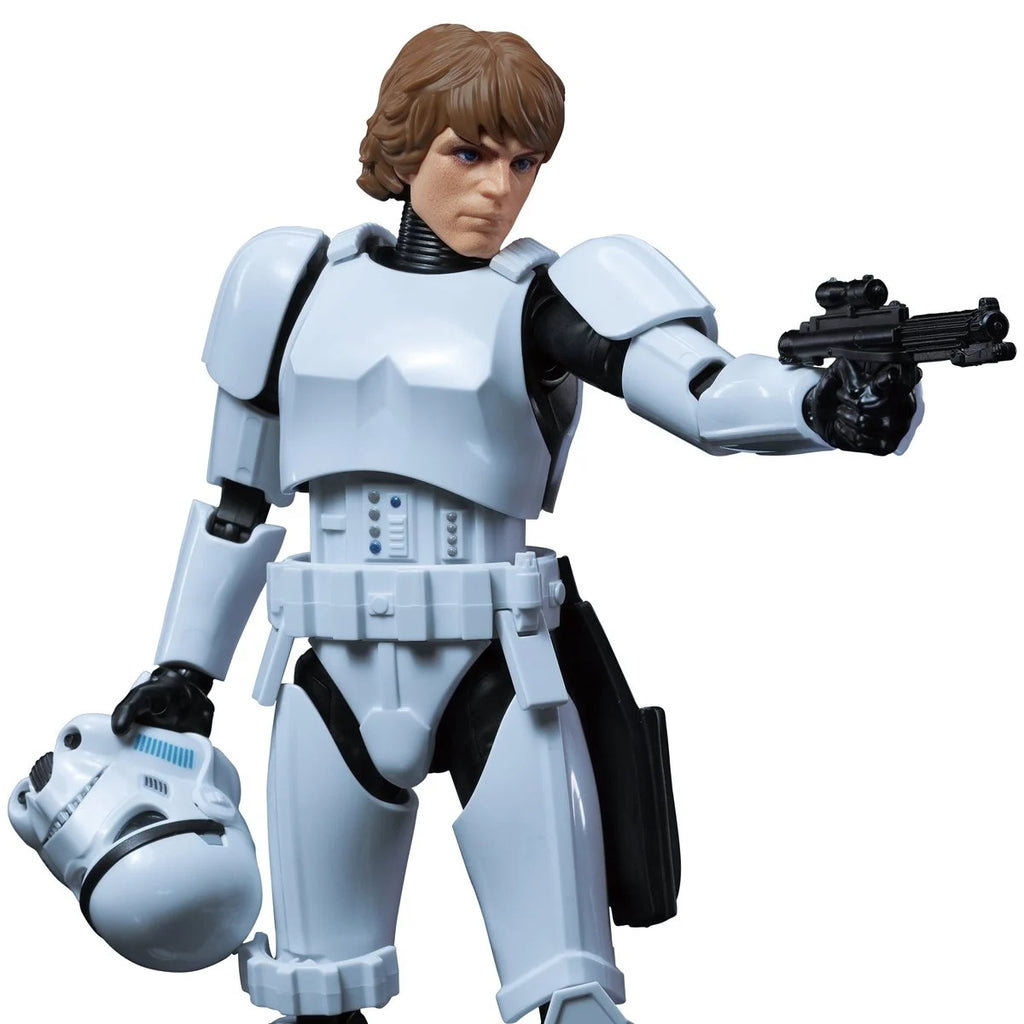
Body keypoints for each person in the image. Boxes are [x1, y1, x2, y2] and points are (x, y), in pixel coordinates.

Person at [103, 23, 918, 1024]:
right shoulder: (292, 288)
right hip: (329, 678)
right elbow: (239, 504)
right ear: (406, 149)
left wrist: (822, 405)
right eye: (471, 153)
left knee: (567, 990)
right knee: (315, 988)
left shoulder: (543, 301)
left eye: (524, 162)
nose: (499, 188)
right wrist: (184, 670)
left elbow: (701, 391)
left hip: (497, 675)